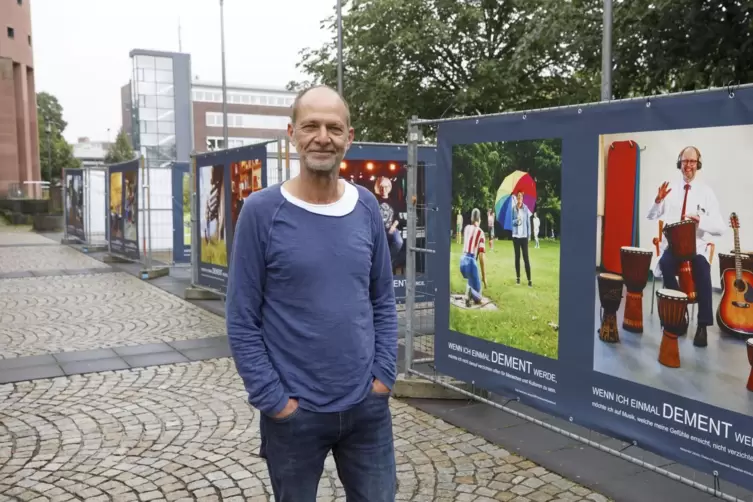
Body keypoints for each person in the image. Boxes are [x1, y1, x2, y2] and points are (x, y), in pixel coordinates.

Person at [225, 85, 398, 502]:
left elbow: (382, 300)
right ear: (292, 134)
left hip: (366, 411)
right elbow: (241, 319)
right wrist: (275, 402)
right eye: (311, 126)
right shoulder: (261, 212)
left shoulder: (367, 207)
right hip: (294, 416)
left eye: (334, 127)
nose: (323, 137)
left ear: (349, 137)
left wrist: (383, 379)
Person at [647, 145, 724, 345]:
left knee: (703, 271)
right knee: (665, 264)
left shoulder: (706, 192)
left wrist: (701, 220)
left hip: (696, 248)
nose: (688, 165)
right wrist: (657, 201)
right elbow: (651, 216)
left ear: (698, 164)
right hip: (674, 247)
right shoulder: (670, 190)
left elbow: (721, 227)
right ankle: (679, 313)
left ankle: (702, 326)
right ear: (679, 163)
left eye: (691, 161)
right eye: (684, 161)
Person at [459, 208, 488, 307]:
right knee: (479, 297)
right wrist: (484, 277)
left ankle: (468, 294)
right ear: (479, 219)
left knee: (471, 278)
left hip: (462, 261)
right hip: (471, 261)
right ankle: (471, 293)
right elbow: (481, 257)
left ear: (471, 218)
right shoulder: (481, 233)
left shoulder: (466, 228)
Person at [512, 191, 533, 286]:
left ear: (523, 198)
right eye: (518, 196)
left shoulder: (526, 209)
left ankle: (529, 280)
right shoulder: (513, 209)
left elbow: (528, 223)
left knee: (526, 258)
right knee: (517, 258)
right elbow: (512, 222)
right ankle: (518, 278)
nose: (519, 198)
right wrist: (517, 220)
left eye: (521, 196)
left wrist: (529, 235)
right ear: (516, 198)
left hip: (524, 236)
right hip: (516, 236)